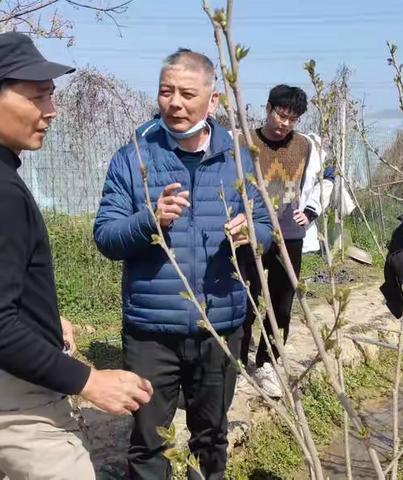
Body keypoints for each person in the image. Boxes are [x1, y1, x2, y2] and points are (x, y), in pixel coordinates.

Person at [93, 48, 272, 480]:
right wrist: (148, 220)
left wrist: (255, 233)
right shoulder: (134, 155)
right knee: (149, 441)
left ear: (212, 101)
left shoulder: (238, 156)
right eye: (166, 92)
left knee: (211, 436)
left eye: (187, 94)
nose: (174, 103)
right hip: (152, 332)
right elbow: (106, 236)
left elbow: (266, 224)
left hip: (221, 324)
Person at [0, 32, 153, 480]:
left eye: (51, 96)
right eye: (36, 97)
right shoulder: (3, 193)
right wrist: (89, 381)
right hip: (17, 396)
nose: (51, 111)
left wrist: (45, 318)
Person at [240, 84, 334, 398]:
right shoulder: (243, 141)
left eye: (292, 119)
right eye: (281, 115)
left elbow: (325, 179)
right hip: (250, 233)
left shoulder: (305, 146)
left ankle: (267, 362)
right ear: (268, 109)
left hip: (288, 235)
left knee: (281, 303)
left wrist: (310, 212)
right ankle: (238, 362)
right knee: (244, 299)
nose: (285, 123)